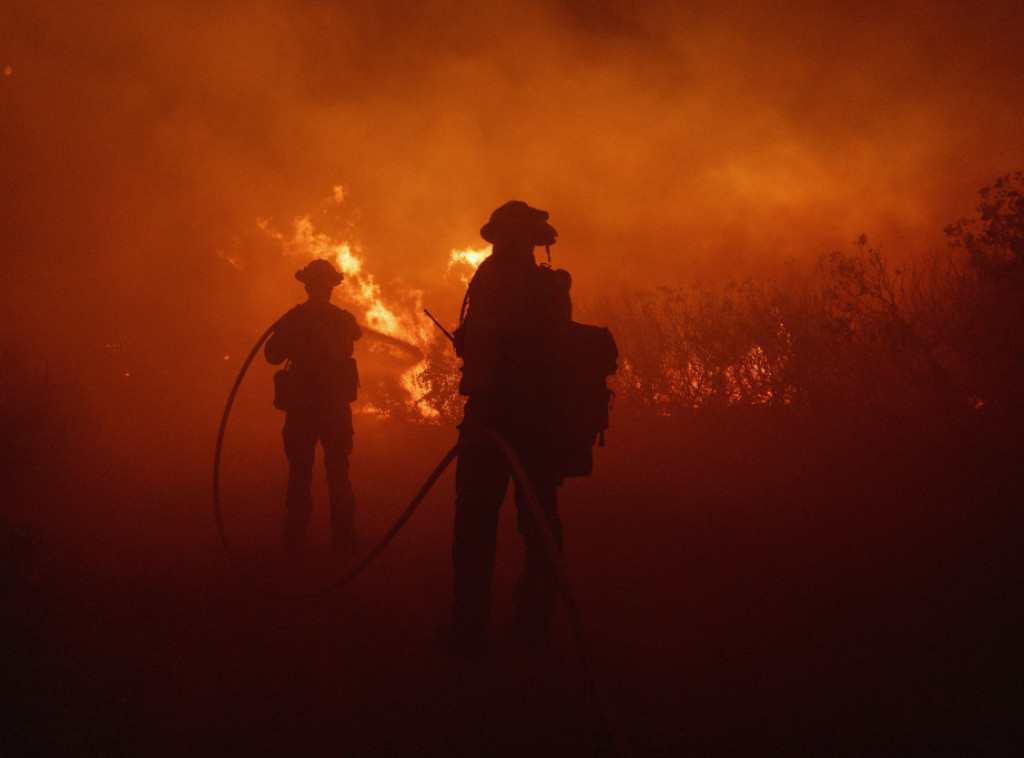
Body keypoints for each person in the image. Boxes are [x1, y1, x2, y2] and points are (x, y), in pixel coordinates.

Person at [448, 201, 573, 657]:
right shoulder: (545, 284)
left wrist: (482, 412)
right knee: (537, 521)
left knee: (481, 521)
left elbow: (492, 346)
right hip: (534, 421)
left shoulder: (498, 278)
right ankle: (532, 618)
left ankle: (473, 623)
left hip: (501, 419)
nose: (503, 243)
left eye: (509, 236)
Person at [264, 258, 362, 556]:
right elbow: (355, 336)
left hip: (303, 409)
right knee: (338, 472)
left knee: (300, 472)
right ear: (332, 288)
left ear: (306, 287)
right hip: (331, 408)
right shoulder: (343, 320)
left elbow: (271, 355)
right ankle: (344, 540)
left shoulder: (293, 319)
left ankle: (295, 540)